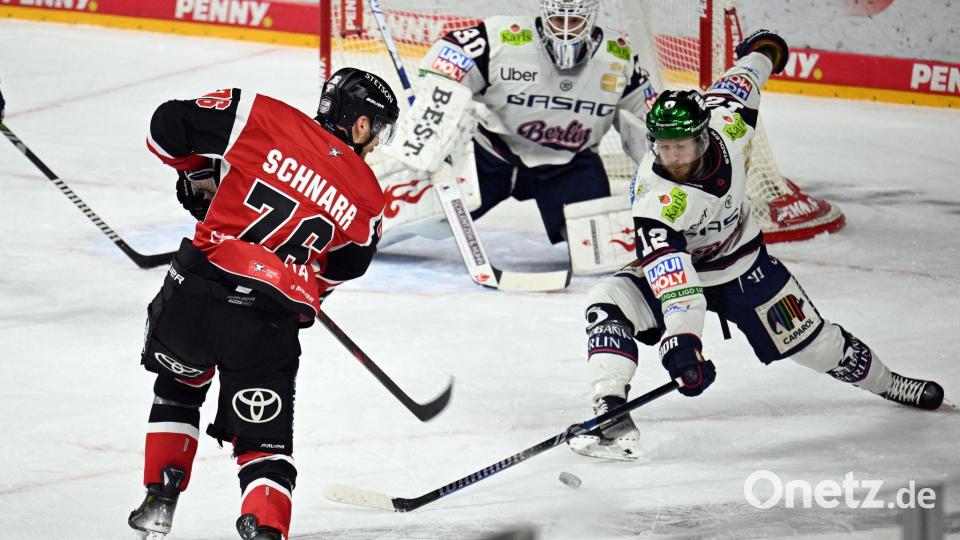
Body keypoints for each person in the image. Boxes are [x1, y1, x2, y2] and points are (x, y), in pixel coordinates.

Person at [568, 30, 945, 462]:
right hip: (684, 273)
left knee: (818, 346)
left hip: (744, 268)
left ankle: (890, 383)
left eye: (681, 146)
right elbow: (679, 289)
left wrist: (766, 50)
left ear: (704, 137)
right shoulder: (655, 203)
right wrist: (684, 344)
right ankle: (611, 410)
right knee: (606, 302)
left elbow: (746, 75)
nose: (671, 157)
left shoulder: (729, 122)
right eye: (664, 147)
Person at [127, 68, 400, 540]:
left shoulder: (260, 115)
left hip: (199, 290)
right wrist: (302, 282)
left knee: (179, 386)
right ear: (360, 124)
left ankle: (159, 499)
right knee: (264, 444)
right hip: (268, 321)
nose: (376, 143)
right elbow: (343, 268)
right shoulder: (370, 199)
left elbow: (165, 127)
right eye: (377, 130)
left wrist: (198, 173)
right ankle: (266, 528)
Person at [385, 0, 656, 245]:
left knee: (598, 248)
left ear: (590, 18)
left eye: (574, 21)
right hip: (490, 155)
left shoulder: (617, 57)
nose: (565, 31)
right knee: (402, 219)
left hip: (569, 166)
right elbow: (449, 55)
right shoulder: (504, 39)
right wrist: (438, 103)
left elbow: (646, 123)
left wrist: (662, 173)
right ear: (545, 14)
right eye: (557, 20)